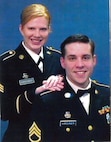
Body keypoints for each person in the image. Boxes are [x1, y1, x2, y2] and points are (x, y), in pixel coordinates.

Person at [0, 4, 65, 142]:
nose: (37, 35)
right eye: (31, 28)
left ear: (49, 30)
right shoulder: (6, 63)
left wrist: (61, 79)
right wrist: (36, 91)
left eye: (43, 29)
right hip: (20, 137)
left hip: (54, 136)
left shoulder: (58, 59)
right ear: (21, 29)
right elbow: (4, 112)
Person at [29, 34, 110, 142]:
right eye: (72, 58)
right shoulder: (47, 101)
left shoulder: (107, 94)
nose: (80, 64)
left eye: (85, 57)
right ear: (63, 62)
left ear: (94, 60)